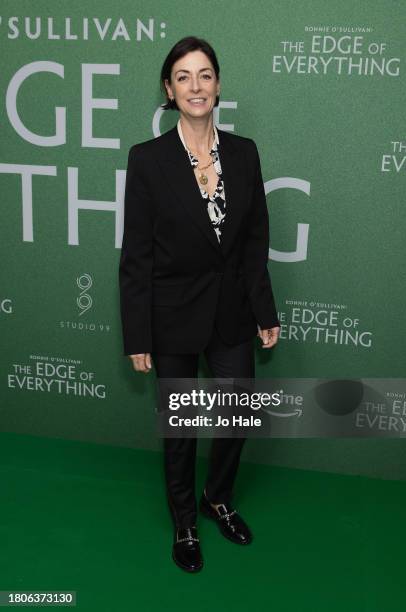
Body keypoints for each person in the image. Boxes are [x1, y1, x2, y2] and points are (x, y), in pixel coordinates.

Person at [119, 36, 280, 573]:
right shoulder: (147, 160)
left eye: (205, 74)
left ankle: (217, 497)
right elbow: (137, 254)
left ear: (217, 85)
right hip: (171, 316)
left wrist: (265, 311)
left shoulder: (245, 152)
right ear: (168, 89)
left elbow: (255, 241)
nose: (195, 85)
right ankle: (185, 523)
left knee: (237, 415)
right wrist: (137, 334)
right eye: (183, 76)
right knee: (181, 429)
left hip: (232, 310)